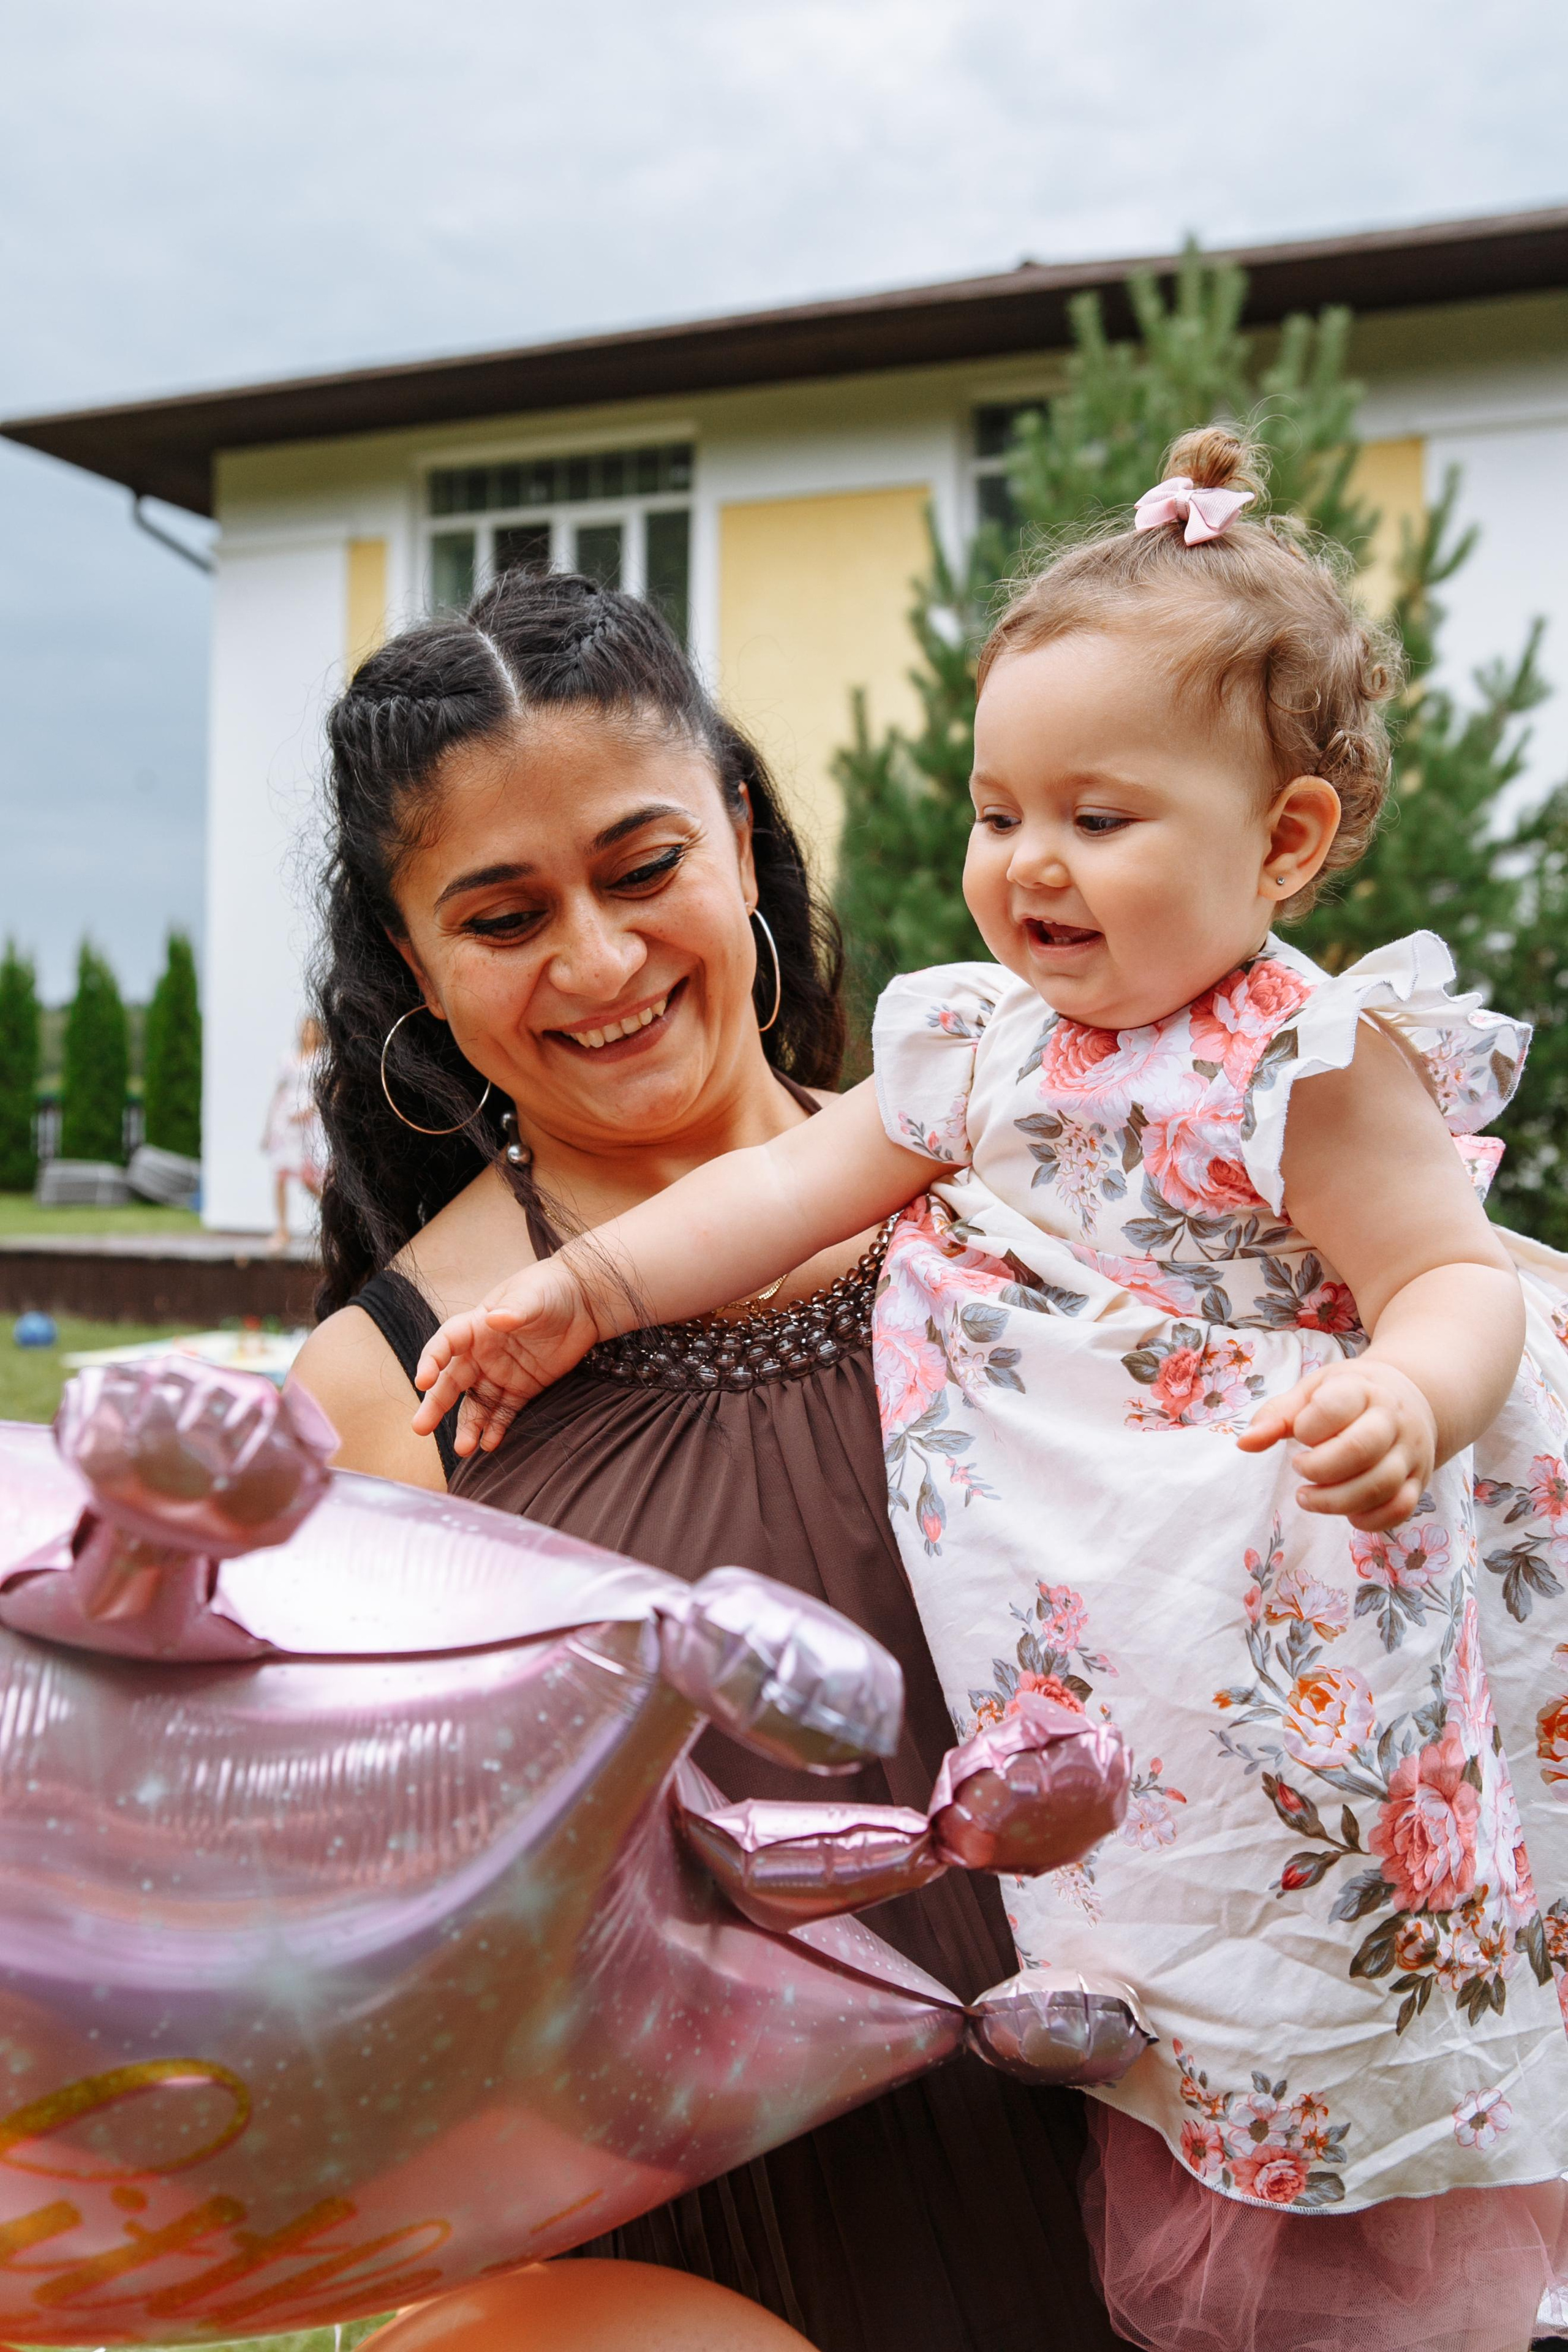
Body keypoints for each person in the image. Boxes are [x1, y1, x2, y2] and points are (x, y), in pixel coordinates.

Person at [414, 433, 1568, 2352]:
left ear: (1281, 842)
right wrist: (583, 1289)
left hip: (1282, 1566)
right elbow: (785, 1186)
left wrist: (1410, 1396)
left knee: (1286, 1908)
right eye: (995, 807)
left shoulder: (1310, 1057)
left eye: (1099, 817)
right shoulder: (973, 1039)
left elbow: (1452, 1273)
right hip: (1097, 1598)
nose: (1028, 860)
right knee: (1149, 1865)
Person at [288, 568, 1123, 2352]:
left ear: (739, 834)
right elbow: (391, 1991)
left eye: (642, 864)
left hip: (1176, 2129)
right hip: (742, 2256)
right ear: (414, 959)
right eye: (502, 914)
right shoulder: (375, 1392)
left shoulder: (1025, 1159)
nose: (595, 960)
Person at [262, 1013, 328, 1249]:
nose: (306, 1033)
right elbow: (278, 1094)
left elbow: (325, 1091)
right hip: (285, 1126)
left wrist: (310, 1109)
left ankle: (333, 1224)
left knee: (312, 1180)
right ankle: (282, 1229)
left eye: (311, 1028)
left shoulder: (322, 1059)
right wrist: (267, 1130)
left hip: (308, 1126)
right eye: (304, 1028)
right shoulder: (288, 1059)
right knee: (280, 1175)